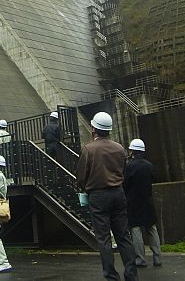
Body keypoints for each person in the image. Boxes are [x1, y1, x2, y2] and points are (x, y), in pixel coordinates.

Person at [76, 112, 138, 281]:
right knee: (123, 235)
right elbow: (123, 172)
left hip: (98, 195)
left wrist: (84, 189)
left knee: (104, 238)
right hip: (118, 193)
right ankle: (131, 274)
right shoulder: (119, 148)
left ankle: (111, 276)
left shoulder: (88, 149)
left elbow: (81, 176)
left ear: (94, 128)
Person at [124, 139, 162, 268]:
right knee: (151, 228)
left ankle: (140, 259)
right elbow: (154, 178)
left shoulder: (129, 166)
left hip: (133, 202)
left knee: (136, 230)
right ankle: (157, 257)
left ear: (132, 151)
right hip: (148, 200)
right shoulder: (149, 165)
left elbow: (125, 184)